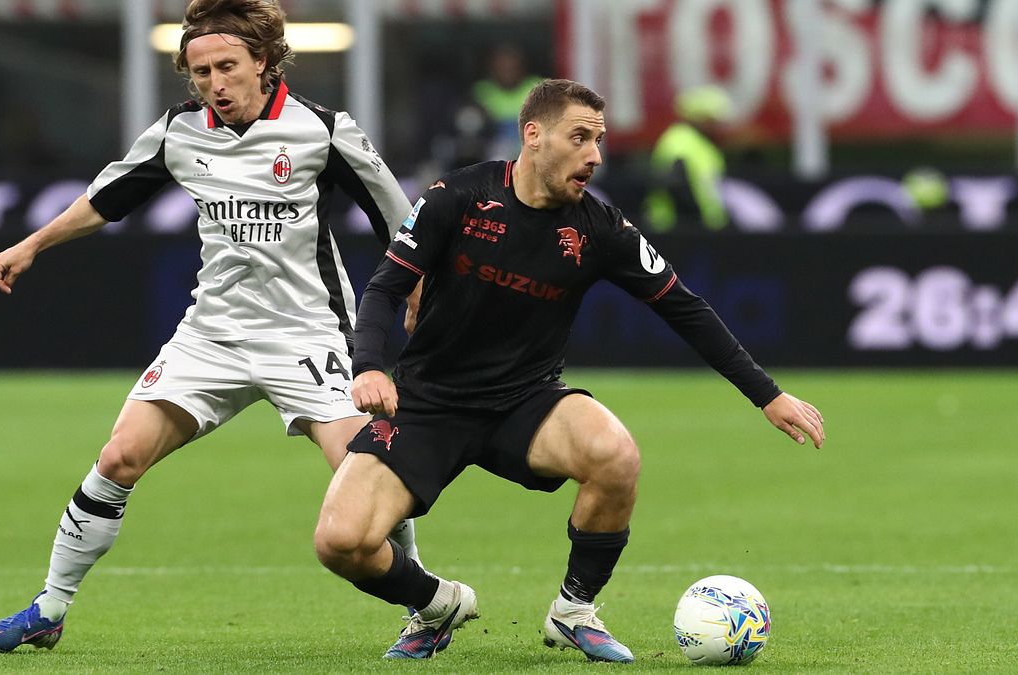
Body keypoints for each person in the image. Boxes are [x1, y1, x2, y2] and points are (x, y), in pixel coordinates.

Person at [312, 79, 825, 662]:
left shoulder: (599, 228)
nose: (595, 156)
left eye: (599, 141)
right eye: (580, 138)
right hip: (429, 403)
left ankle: (574, 611)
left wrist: (767, 395)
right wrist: (370, 367)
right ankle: (437, 603)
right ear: (533, 136)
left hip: (525, 403)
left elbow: (685, 309)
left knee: (615, 455)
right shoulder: (458, 196)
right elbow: (385, 289)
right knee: (340, 541)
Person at [0, 0, 426, 653]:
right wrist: (31, 245)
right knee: (119, 456)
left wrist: (415, 290)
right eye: (202, 71)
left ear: (262, 62)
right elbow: (105, 198)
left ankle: (422, 606)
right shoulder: (178, 132)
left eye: (228, 67)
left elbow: (400, 219)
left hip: (307, 333)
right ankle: (50, 606)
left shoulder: (322, 130)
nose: (216, 83)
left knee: (366, 471)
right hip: (212, 333)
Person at [643, 84, 734, 232]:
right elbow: (675, 185)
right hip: (677, 229)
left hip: (702, 229)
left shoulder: (703, 144)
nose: (719, 126)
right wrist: (694, 220)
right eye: (714, 120)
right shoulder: (679, 141)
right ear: (701, 118)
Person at [471, 43, 544, 161]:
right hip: (495, 152)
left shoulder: (538, 88)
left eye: (512, 68)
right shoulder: (482, 91)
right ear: (492, 69)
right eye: (502, 68)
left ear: (522, 67)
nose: (507, 72)